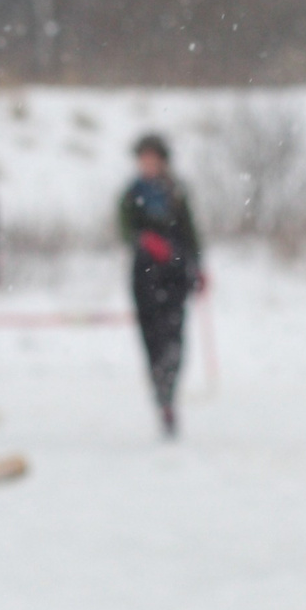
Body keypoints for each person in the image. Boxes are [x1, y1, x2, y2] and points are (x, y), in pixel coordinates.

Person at [115, 134, 204, 438]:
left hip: (175, 274)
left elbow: (191, 232)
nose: (148, 164)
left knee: (174, 340)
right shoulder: (131, 194)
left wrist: (197, 266)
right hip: (145, 276)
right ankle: (161, 395)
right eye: (144, 159)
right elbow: (125, 230)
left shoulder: (176, 192)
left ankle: (169, 390)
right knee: (151, 340)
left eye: (153, 158)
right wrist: (143, 240)